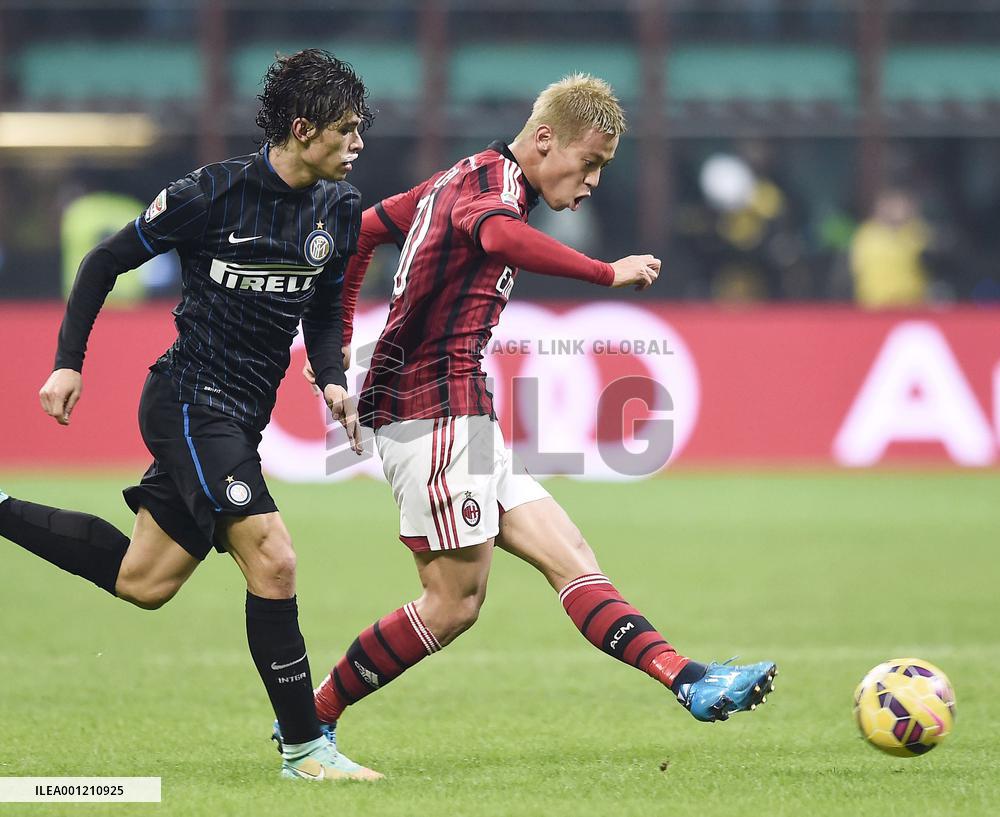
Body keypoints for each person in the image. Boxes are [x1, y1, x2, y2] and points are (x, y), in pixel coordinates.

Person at [285, 74, 777, 758]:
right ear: (545, 140)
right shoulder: (493, 191)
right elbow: (501, 238)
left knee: (571, 555)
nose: (594, 181)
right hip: (430, 413)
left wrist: (331, 346)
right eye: (591, 162)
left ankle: (688, 678)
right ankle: (310, 722)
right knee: (452, 603)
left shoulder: (462, 175)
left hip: (464, 412)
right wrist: (608, 274)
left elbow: (361, 231)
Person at [0, 49, 378, 782]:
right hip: (189, 401)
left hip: (240, 417)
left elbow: (327, 307)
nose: (359, 144)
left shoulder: (340, 207)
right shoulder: (212, 193)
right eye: (348, 130)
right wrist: (68, 360)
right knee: (273, 556)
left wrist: (330, 377)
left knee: (145, 580)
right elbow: (103, 262)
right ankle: (305, 749)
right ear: (303, 129)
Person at [850, 188, 932, 308]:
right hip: (875, 306)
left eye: (903, 205)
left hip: (913, 305)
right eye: (893, 206)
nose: (898, 210)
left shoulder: (918, 232)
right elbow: (857, 270)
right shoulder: (867, 235)